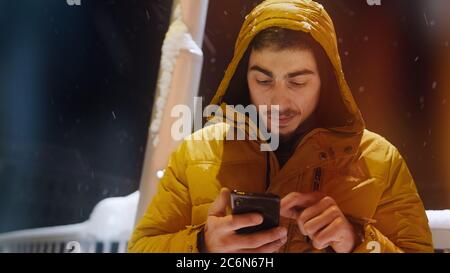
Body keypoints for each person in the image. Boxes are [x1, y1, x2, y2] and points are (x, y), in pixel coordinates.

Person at [128, 0, 433, 253]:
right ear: (241, 77)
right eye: (263, 80)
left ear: (326, 81)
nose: (278, 101)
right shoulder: (194, 153)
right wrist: (202, 246)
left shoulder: (381, 161)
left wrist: (357, 241)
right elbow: (141, 248)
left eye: (297, 81)